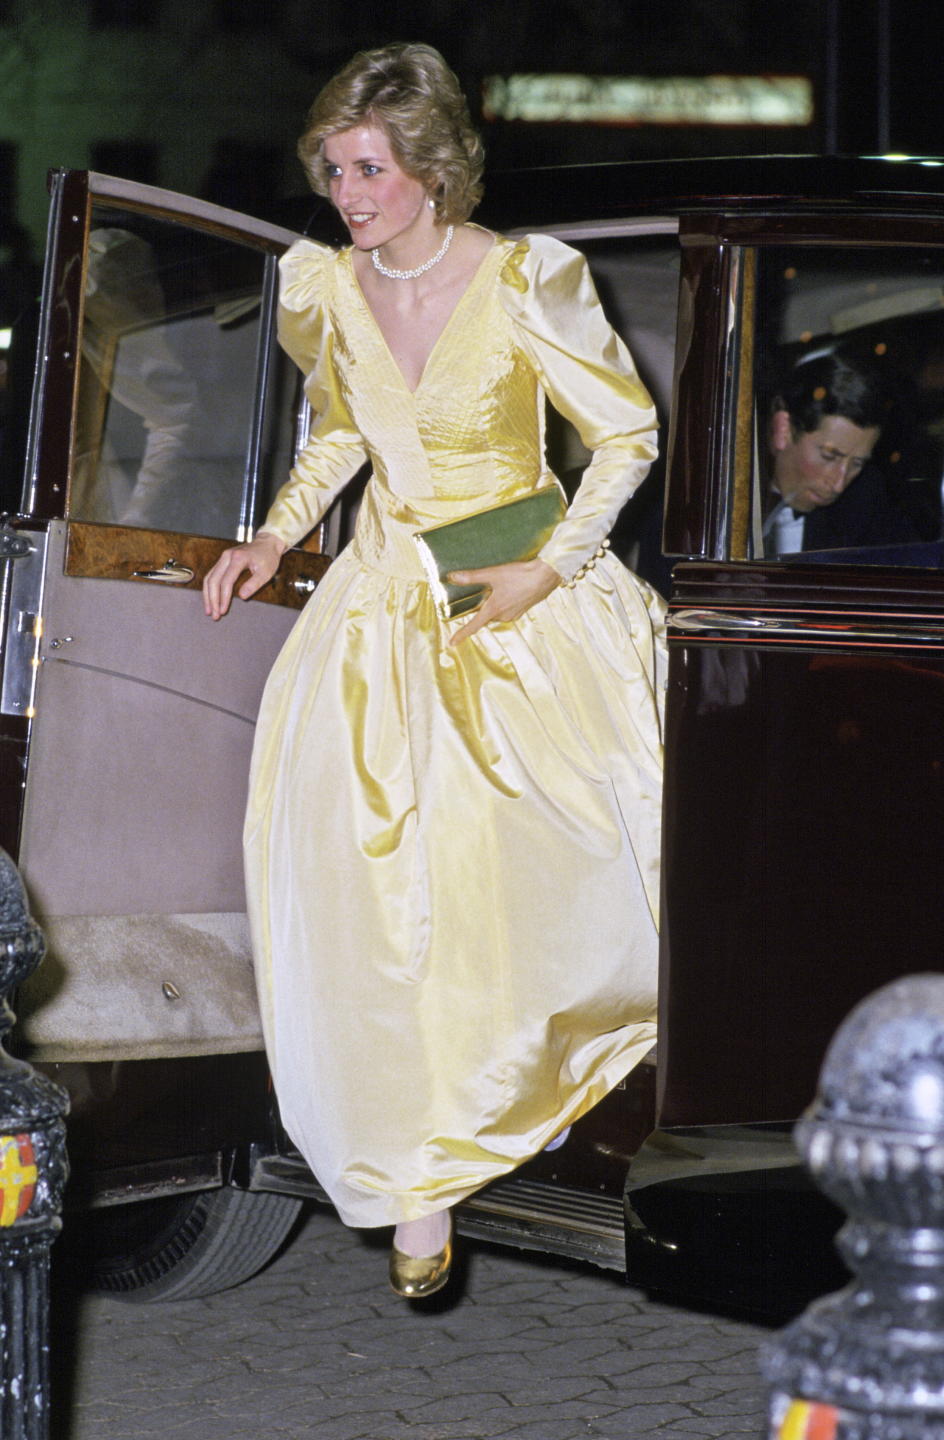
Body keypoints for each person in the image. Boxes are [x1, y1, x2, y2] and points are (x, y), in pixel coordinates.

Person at [202, 42, 665, 1301]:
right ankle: (417, 1175)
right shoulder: (327, 286)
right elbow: (342, 432)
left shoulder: (526, 277)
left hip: (517, 589)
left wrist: (551, 570)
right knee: (370, 896)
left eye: (370, 169)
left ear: (434, 170)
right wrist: (272, 539)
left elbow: (625, 435)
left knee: (516, 890)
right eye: (334, 168)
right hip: (383, 604)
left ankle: (518, 1111)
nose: (347, 194)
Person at [762, 349, 918, 556]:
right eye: (829, 456)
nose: (838, 484)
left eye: (857, 464)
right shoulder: (717, 491)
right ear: (783, 429)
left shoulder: (864, 502)